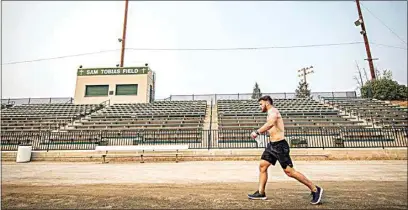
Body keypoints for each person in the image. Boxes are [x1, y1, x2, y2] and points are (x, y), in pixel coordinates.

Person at [247, 95, 323, 205]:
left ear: (267, 102)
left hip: (280, 146)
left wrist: (257, 132)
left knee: (289, 172)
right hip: (272, 145)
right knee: (263, 165)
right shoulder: (269, 113)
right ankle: (261, 192)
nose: (260, 107)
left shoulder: (273, 111)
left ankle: (315, 189)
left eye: (261, 104)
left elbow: (271, 123)